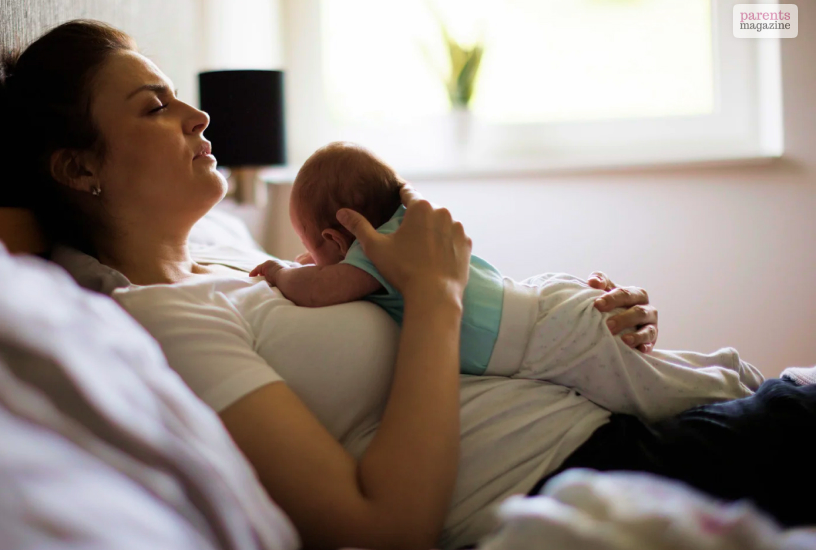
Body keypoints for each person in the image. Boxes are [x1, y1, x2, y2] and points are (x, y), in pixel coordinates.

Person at [0, 19, 815, 550]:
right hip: (583, 477)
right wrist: (437, 296)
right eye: (153, 107)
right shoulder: (163, 323)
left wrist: (585, 323)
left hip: (617, 426)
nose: (197, 117)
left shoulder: (233, 271)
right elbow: (386, 522)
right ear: (78, 166)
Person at [249, 142, 763, 423]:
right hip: (542, 303)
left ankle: (732, 382)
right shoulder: (409, 225)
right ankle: (724, 369)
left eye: (312, 248)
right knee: (645, 374)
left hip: (543, 333)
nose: (314, 262)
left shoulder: (372, 254)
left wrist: (279, 271)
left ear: (334, 239)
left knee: (649, 394)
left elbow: (318, 290)